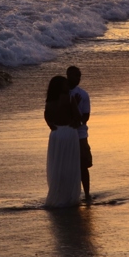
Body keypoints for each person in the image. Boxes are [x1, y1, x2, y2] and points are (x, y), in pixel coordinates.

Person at [44, 75, 82, 208]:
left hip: (55, 134)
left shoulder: (49, 101)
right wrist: (75, 105)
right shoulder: (69, 98)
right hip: (68, 133)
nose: (68, 86)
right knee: (70, 165)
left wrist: (51, 125)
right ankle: (69, 197)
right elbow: (78, 117)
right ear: (61, 87)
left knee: (57, 165)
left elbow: (46, 115)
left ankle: (58, 194)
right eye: (66, 84)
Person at [67, 65, 93, 200]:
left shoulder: (83, 94)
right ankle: (71, 194)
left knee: (83, 165)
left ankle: (87, 193)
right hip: (67, 134)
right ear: (68, 76)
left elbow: (86, 115)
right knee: (68, 166)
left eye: (79, 76)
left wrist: (80, 124)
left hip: (81, 135)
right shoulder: (62, 94)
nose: (77, 79)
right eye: (75, 76)